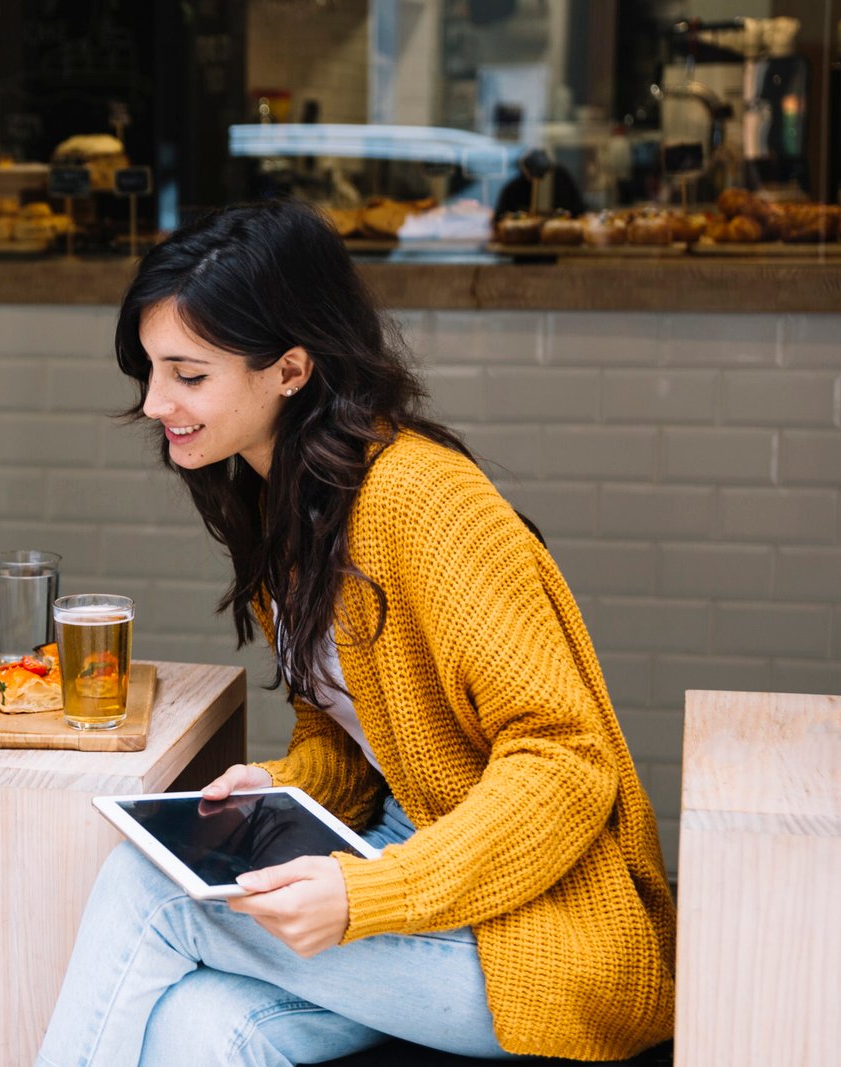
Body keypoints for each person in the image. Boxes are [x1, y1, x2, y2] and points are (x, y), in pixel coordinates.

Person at [36, 199, 675, 1066]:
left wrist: (372, 891)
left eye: (189, 375)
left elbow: (566, 765)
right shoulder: (286, 500)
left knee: (146, 886)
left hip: (529, 927)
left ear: (290, 368)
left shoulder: (421, 500)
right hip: (398, 865)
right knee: (204, 1029)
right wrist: (278, 785)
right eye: (150, 370)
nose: (155, 403)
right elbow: (354, 738)